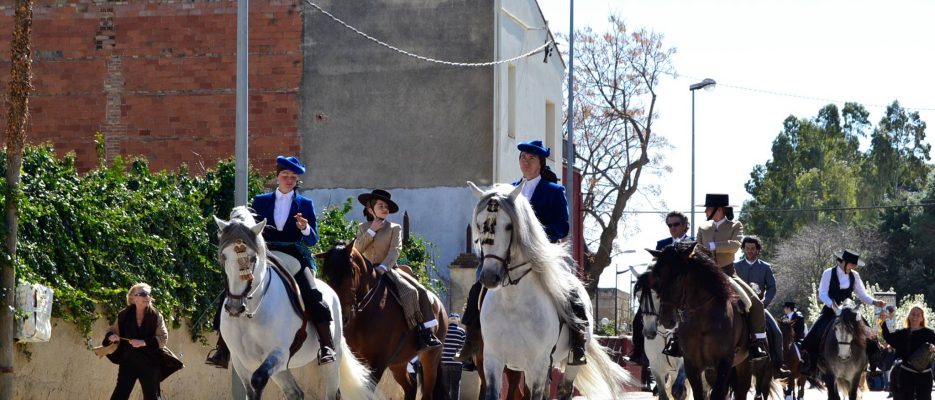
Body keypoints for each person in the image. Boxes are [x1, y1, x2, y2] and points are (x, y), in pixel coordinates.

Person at [457, 139, 585, 367]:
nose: (525, 162)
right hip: (509, 254)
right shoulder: (507, 190)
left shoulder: (554, 191)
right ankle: (471, 340)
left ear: (541, 162)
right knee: (479, 284)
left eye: (531, 158)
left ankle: (577, 343)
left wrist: (535, 237)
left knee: (570, 288)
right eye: (522, 158)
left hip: (542, 254)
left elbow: (562, 226)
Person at [207, 155, 336, 367]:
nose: (289, 180)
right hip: (265, 253)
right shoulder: (260, 201)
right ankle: (222, 348)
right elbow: (250, 234)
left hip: (294, 255)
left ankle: (326, 344)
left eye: (293, 177)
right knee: (232, 288)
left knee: (311, 292)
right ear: (277, 178)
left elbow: (313, 240)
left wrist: (304, 228)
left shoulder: (306, 204)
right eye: (285, 175)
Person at [663, 193, 770, 362]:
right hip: (705, 275)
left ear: (719, 210)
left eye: (709, 208)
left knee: (755, 302)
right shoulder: (703, 228)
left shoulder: (736, 225)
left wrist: (712, 246)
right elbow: (696, 248)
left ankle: (757, 341)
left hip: (727, 272)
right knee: (680, 298)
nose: (705, 211)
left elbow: (734, 246)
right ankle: (676, 338)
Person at [354, 189, 442, 349]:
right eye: (381, 205)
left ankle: (425, 331)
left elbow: (395, 250)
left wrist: (382, 267)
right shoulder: (363, 227)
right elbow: (357, 249)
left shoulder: (395, 227)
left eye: (386, 206)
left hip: (388, 269)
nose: (385, 209)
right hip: (366, 271)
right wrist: (372, 229)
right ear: (370, 209)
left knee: (415, 291)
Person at [800, 249, 886, 375]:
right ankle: (810, 365)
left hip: (849, 311)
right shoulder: (828, 273)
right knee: (811, 336)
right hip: (831, 310)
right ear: (844, 262)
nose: (853, 267)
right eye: (852, 264)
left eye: (854, 265)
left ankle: (873, 365)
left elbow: (861, 293)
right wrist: (834, 306)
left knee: (871, 334)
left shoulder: (854, 275)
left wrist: (874, 302)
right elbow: (822, 293)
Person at [628, 211, 692, 365]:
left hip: (685, 292)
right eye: (669, 225)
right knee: (639, 318)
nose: (672, 228)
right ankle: (638, 354)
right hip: (663, 292)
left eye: (676, 224)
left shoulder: (693, 243)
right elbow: (654, 268)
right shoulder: (661, 244)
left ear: (685, 225)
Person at [104, 283, 169, 400]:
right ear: (133, 297)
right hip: (128, 361)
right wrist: (111, 337)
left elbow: (163, 338)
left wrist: (143, 343)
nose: (147, 297)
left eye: (149, 294)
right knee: (120, 395)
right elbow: (112, 331)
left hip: (150, 362)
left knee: (152, 397)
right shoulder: (124, 315)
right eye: (143, 294)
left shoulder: (156, 315)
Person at [880, 306, 935, 400]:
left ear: (922, 318)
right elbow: (888, 337)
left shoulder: (929, 333)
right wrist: (882, 322)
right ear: (909, 316)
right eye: (913, 314)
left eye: (918, 315)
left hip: (924, 374)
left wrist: (933, 347)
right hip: (906, 373)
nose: (915, 317)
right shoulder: (902, 333)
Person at [734, 236, 777, 308]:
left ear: (758, 249)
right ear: (743, 249)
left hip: (758, 306)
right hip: (738, 305)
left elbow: (772, 287)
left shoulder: (766, 267)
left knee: (770, 320)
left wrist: (764, 303)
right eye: (747, 248)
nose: (750, 251)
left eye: (752, 248)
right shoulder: (735, 266)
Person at [441, 313, 467, 400]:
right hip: (456, 364)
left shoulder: (444, 330)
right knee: (455, 388)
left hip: (444, 363)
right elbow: (463, 349)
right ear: (458, 321)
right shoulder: (461, 332)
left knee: (445, 389)